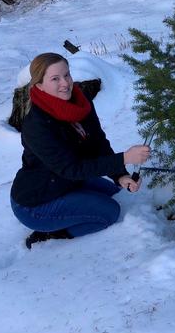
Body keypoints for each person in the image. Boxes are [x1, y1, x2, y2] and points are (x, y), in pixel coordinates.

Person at [10, 53, 151, 248]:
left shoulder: (80, 102)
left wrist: (120, 175)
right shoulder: (37, 125)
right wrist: (124, 158)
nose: (65, 83)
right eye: (55, 79)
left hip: (67, 181)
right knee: (109, 212)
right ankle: (52, 233)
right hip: (36, 202)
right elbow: (72, 169)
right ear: (39, 85)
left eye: (67, 75)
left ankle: (76, 202)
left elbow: (98, 143)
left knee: (112, 191)